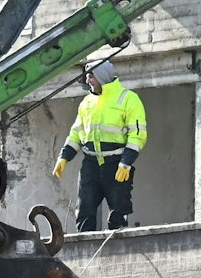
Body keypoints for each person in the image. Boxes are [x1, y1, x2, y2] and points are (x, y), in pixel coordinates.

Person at [53, 60, 146, 232]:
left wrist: (126, 162)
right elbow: (77, 133)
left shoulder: (128, 99)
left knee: (119, 211)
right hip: (91, 164)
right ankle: (85, 248)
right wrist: (64, 157)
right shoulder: (87, 103)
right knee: (84, 211)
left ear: (102, 77)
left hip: (116, 164)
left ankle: (117, 249)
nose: (88, 81)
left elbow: (137, 134)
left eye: (91, 76)